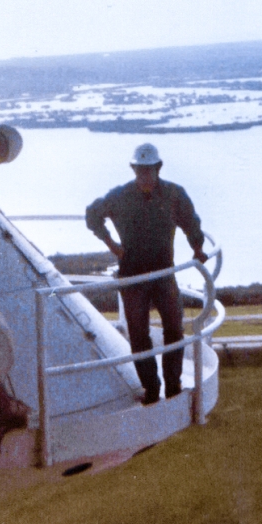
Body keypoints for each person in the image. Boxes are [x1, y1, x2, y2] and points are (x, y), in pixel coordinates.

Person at [85, 143, 208, 405]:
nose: (144, 175)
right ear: (133, 169)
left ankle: (173, 386)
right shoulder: (120, 196)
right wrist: (110, 244)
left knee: (174, 329)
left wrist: (197, 249)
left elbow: (190, 222)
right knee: (139, 336)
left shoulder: (174, 194)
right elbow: (92, 214)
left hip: (164, 273)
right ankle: (151, 389)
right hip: (133, 276)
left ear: (158, 168)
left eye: (148, 169)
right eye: (140, 169)